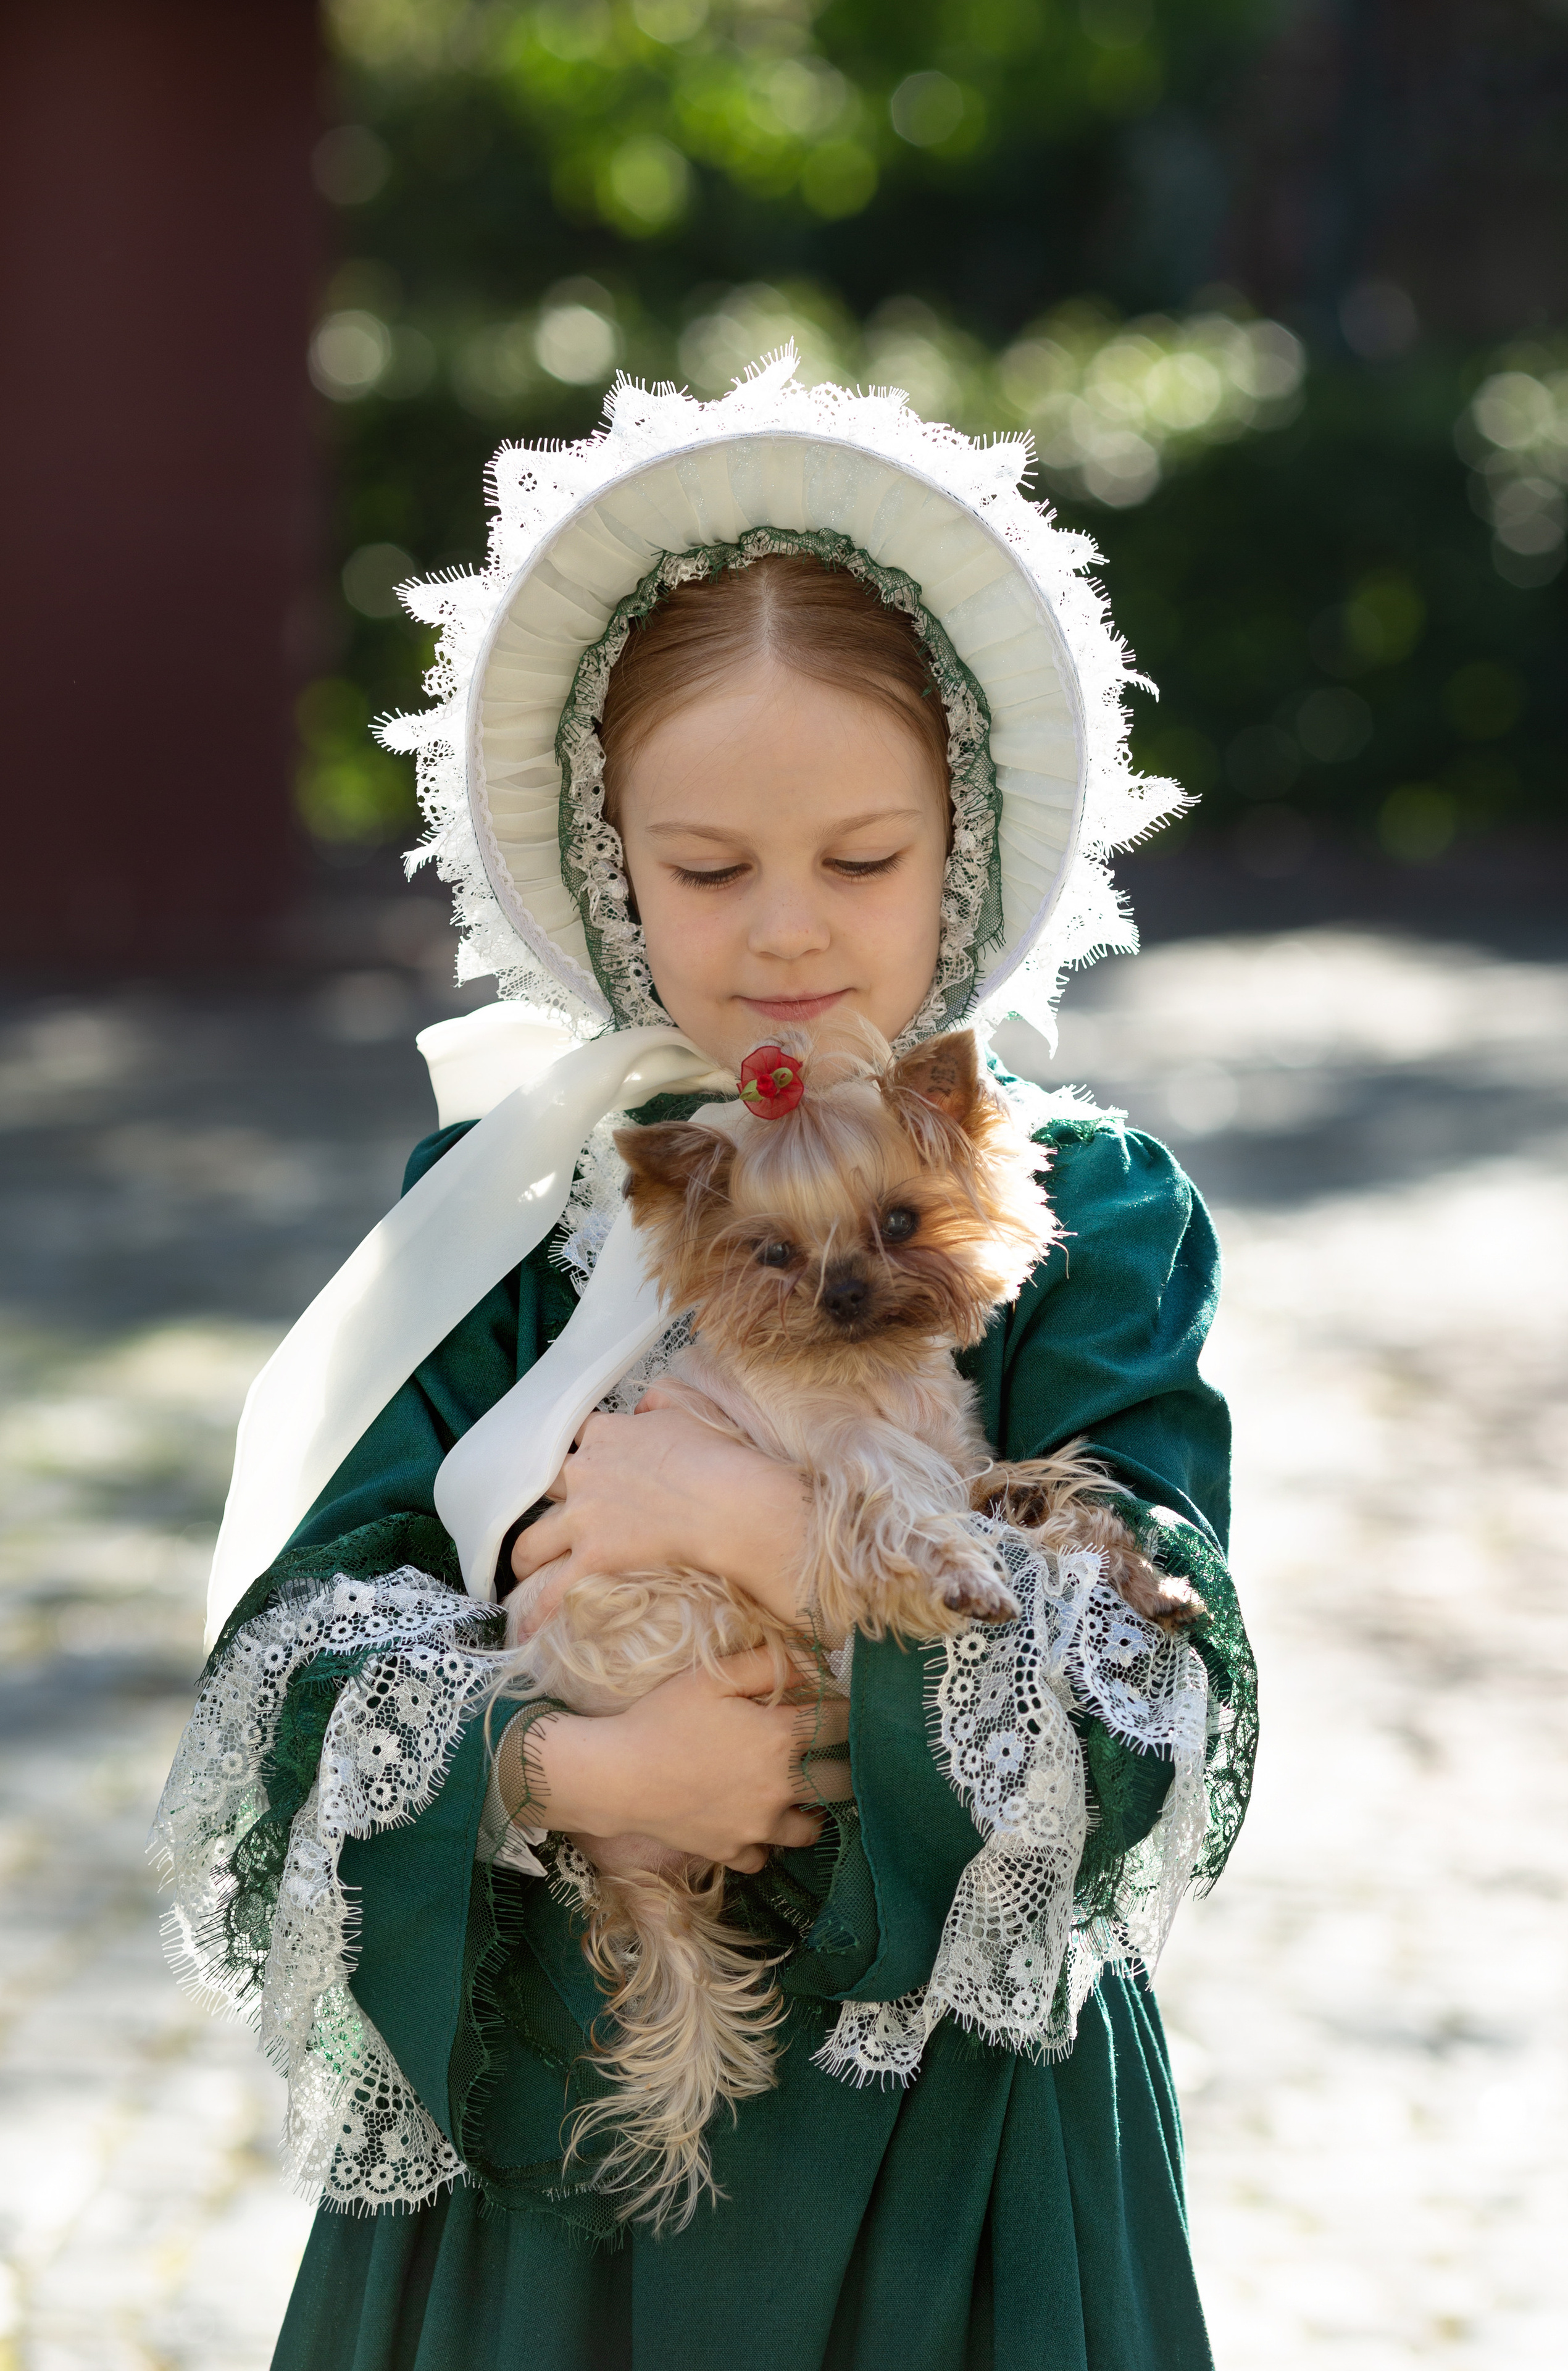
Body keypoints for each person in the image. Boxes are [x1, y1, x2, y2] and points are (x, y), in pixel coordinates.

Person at [155, 359, 1256, 2371]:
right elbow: (288, 1678)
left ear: (974, 837)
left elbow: (1159, 1707)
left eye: (861, 860)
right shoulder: (511, 1212)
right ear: (605, 855)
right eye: (706, 867)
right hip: (551, 2124)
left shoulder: (1093, 1219)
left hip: (953, 2150)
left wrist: (755, 1522)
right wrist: (570, 1765)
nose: (785, 938)